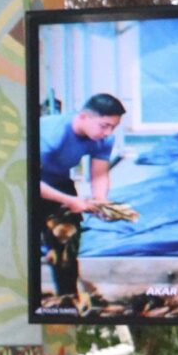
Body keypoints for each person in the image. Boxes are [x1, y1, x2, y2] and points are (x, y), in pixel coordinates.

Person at [36, 93, 125, 299]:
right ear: (84, 117)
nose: (108, 132)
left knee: (67, 243)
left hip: (59, 181)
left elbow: (99, 174)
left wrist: (101, 202)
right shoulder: (52, 134)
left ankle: (68, 299)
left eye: (113, 127)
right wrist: (70, 201)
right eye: (104, 126)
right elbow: (28, 181)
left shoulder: (104, 138)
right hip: (27, 184)